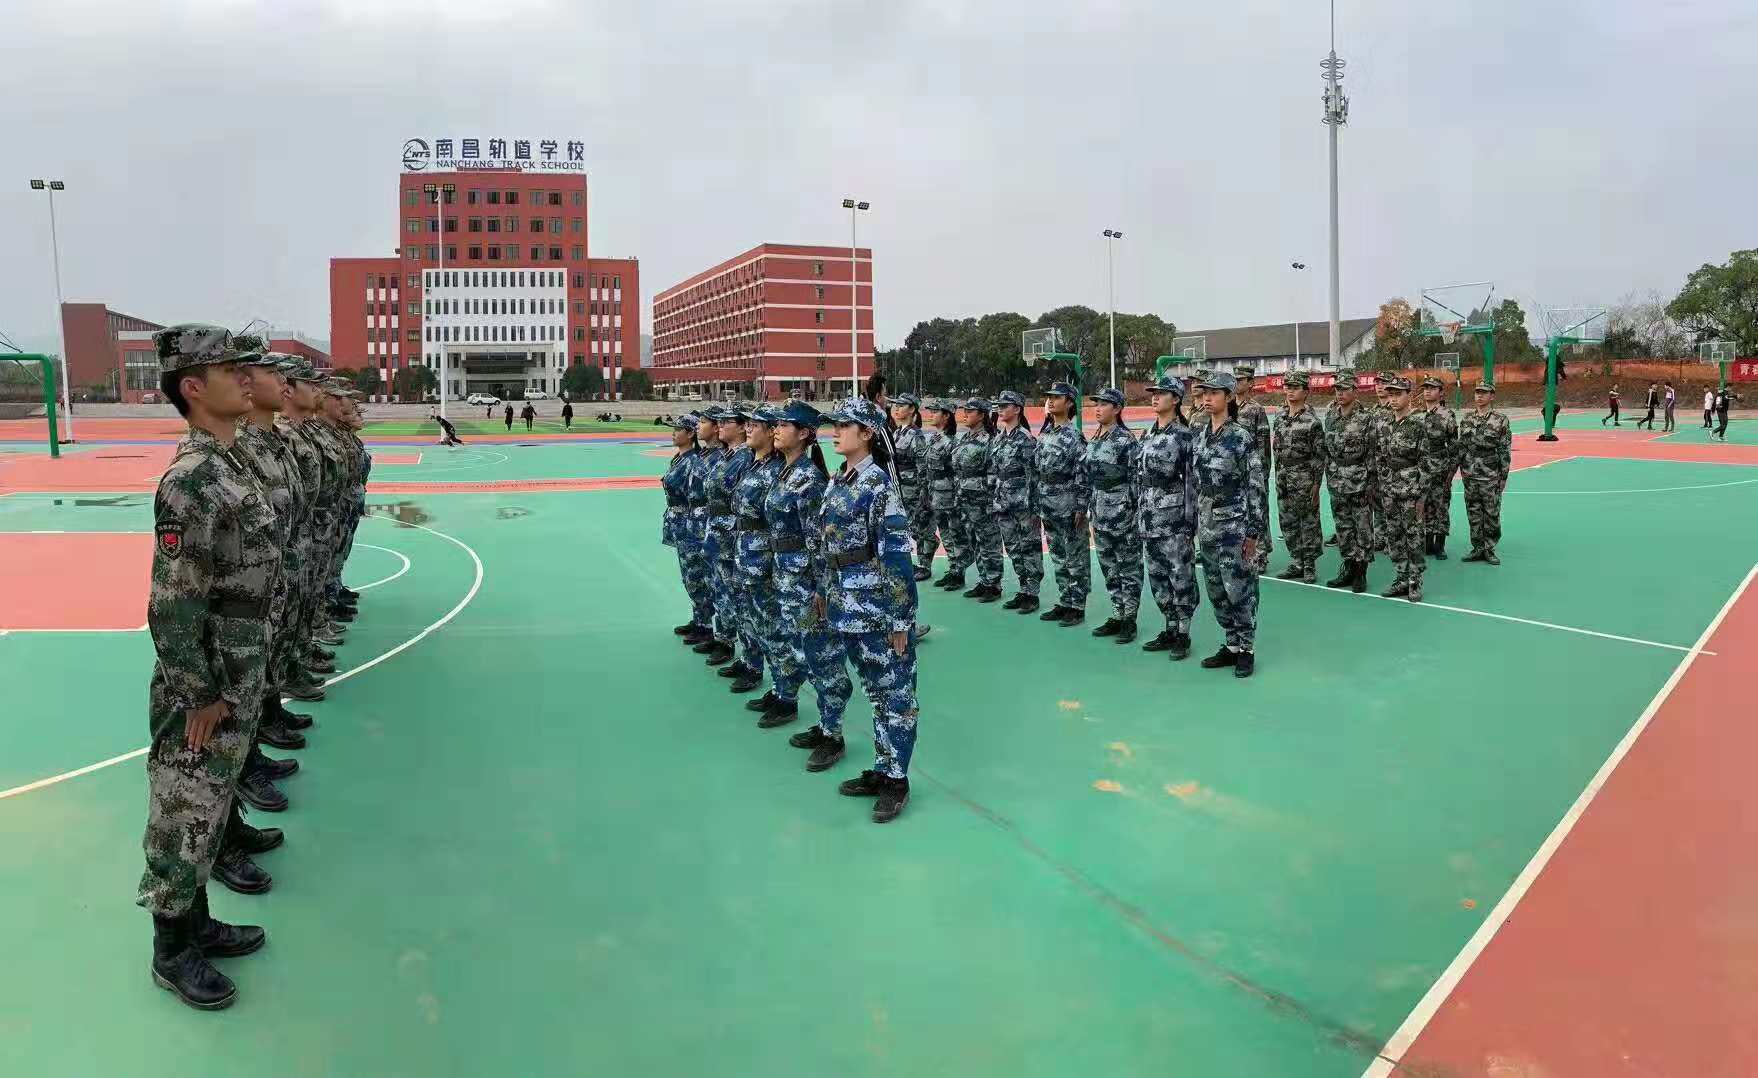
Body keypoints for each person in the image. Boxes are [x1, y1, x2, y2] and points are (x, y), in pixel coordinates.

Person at [139, 324, 278, 1011]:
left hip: (237, 673)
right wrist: (197, 695)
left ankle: (196, 924)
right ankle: (171, 949)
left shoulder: (231, 461)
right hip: (208, 686)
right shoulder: (192, 479)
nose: (246, 378)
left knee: (213, 801)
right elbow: (172, 605)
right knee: (183, 806)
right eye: (231, 370)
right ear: (193, 387)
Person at [814, 396, 920, 823]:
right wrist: (824, 590)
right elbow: (829, 544)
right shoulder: (841, 479)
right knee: (876, 691)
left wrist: (900, 619)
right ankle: (883, 768)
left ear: (868, 434)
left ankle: (898, 779)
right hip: (846, 603)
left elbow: (895, 556)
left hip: (877, 609)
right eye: (835, 425)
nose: (836, 432)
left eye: (845, 425)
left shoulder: (879, 485)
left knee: (896, 694)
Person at [755, 401, 846, 732]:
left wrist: (821, 589)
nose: (776, 429)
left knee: (820, 655)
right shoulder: (786, 471)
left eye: (785, 424)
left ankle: (832, 732)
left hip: (805, 584)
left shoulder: (808, 480)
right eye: (775, 424)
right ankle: (820, 721)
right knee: (799, 648)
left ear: (805, 433)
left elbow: (818, 542)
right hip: (786, 576)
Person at [1191, 371, 1266, 677]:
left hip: (1234, 524)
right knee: (1216, 588)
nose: (1207, 398)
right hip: (1207, 523)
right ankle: (1231, 644)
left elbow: (1256, 485)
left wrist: (1253, 531)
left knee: (1240, 588)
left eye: (1214, 392)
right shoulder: (1201, 436)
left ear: (1229, 397)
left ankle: (1246, 649)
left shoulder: (1241, 437)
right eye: (1204, 392)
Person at [1136, 375, 1201, 660]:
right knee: (1158, 577)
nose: (1154, 397)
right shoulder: (1148, 434)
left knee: (1181, 577)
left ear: (1175, 399)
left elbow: (1191, 483)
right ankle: (1169, 627)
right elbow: (1140, 479)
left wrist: (1189, 522)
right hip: (1150, 520)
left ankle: (1183, 633)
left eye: (1161, 393)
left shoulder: (1185, 436)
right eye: (1153, 393)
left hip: (1174, 521)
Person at [729, 406, 786, 697]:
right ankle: (756, 668)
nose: (748, 429)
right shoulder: (753, 464)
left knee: (771, 625)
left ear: (771, 431)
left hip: (763, 559)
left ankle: (783, 691)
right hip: (745, 553)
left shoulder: (777, 470)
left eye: (755, 425)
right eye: (748, 424)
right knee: (751, 619)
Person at [1085, 387, 1142, 643]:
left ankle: (1129, 618)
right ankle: (1117, 613)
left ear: (1117, 409)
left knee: (1128, 567)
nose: (1098, 408)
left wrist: (1133, 513)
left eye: (1104, 404)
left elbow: (1136, 481)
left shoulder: (1126, 441)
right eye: (1096, 403)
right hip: (1100, 511)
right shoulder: (1096, 438)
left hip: (1122, 513)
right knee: (1108, 566)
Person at [705, 407, 758, 675]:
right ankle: (734, 647)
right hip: (721, 533)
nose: (720, 425)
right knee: (724, 592)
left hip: (734, 535)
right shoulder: (728, 456)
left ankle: (749, 658)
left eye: (727, 422)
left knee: (740, 600)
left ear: (740, 427)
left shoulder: (745, 458)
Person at [1375, 377, 1437, 602]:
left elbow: (1426, 462)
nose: (1393, 399)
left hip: (1411, 490)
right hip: (1390, 489)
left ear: (1408, 395)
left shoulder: (1419, 423)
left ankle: (1414, 580)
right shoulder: (1384, 424)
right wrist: (1384, 482)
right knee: (1395, 535)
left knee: (1414, 536)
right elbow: (1380, 457)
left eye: (1397, 394)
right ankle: (1400, 577)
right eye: (1390, 394)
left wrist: (1421, 495)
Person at [1035, 382, 1090, 626]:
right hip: (1048, 502)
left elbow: (1082, 473)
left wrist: (1080, 506)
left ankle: (1077, 605)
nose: (1051, 401)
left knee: (1075, 556)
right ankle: (1065, 600)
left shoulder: (1073, 436)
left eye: (1057, 397)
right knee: (1057, 554)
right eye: (1049, 397)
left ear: (1069, 402)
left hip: (1068, 503)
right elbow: (1038, 470)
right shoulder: (1045, 434)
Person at [989, 390, 1043, 613]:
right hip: (1003, 502)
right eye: (999, 406)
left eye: (1005, 405)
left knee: (1029, 547)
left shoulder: (1026, 439)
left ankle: (1032, 593)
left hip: (1023, 503)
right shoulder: (999, 438)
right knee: (1013, 547)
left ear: (1018, 409)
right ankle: (1024, 588)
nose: (1001, 409)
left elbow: (1034, 475)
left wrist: (1034, 508)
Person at [661, 415, 714, 642]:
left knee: (696, 575)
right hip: (679, 521)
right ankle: (699, 618)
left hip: (689, 522)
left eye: (678, 429)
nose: (673, 433)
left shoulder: (692, 460)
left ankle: (705, 625)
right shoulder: (680, 458)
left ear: (690, 434)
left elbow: (694, 496)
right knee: (689, 575)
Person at [1272, 371, 1327, 582]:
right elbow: (1277, 449)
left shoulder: (1312, 421)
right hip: (1283, 476)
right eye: (1288, 387)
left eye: (1295, 387)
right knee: (1287, 521)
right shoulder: (1280, 417)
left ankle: (1310, 565)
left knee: (1308, 522)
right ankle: (1296, 561)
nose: (1290, 391)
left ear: (1306, 392)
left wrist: (1315, 484)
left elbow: (1319, 455)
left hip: (1303, 477)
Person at [945, 397, 1003, 599]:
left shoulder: (989, 440)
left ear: (981, 415)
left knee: (989, 541)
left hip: (981, 499)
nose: (965, 414)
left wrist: (989, 500)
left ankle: (994, 584)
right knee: (975, 540)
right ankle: (984, 579)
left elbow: (993, 472)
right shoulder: (963, 439)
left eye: (971, 411)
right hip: (964, 498)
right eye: (965, 410)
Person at [1323, 372, 1375, 593]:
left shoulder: (1366, 418)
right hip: (1336, 479)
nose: (1340, 393)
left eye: (1345, 389)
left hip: (1359, 480)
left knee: (1362, 527)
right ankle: (1349, 567)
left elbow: (1373, 451)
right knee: (1343, 527)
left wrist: (1371, 481)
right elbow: (1327, 449)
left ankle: (1361, 572)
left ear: (1355, 390)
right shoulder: (1331, 416)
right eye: (1337, 389)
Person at [686, 411, 729, 658]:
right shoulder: (705, 455)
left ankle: (722, 637)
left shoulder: (724, 457)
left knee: (720, 586)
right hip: (702, 524)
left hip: (716, 528)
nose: (698, 426)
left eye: (703, 422)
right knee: (705, 580)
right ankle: (709, 628)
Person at [1458, 382, 1513, 565]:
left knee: (1491, 512)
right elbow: (1462, 447)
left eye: (1484, 393)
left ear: (1492, 396)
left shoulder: (1500, 419)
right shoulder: (1466, 419)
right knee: (1473, 511)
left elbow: (1504, 450)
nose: (1479, 396)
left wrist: (1503, 476)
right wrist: (1462, 471)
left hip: (1490, 474)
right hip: (1470, 473)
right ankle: (1477, 547)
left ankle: (1489, 548)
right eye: (1477, 392)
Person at [1232, 366, 1274, 573]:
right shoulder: (1229, 407)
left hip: (1253, 470)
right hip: (1234, 472)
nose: (1237, 383)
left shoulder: (1256, 409)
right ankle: (1242, 552)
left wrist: (1263, 473)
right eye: (1235, 379)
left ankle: (1261, 554)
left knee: (1259, 512)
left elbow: (1263, 444)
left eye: (1241, 379)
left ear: (1250, 383)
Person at [888, 393, 934, 581]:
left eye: (902, 405)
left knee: (920, 527)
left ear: (912, 409)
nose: (897, 409)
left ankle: (925, 565)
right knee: (908, 527)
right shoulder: (897, 433)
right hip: (900, 489)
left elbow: (923, 468)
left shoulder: (916, 435)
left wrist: (923, 495)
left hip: (914, 489)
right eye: (895, 405)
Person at [1420, 376, 1459, 559]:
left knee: (1441, 506)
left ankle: (1440, 544)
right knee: (1425, 505)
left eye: (1432, 388)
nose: (1427, 391)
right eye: (1425, 388)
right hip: (1421, 469)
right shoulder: (1417, 415)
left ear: (1440, 392)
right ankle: (1427, 542)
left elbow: (1453, 447)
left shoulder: (1447, 415)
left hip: (1440, 468)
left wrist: (1450, 474)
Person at [918, 399, 958, 580]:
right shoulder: (934, 438)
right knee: (942, 530)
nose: (931, 414)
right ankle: (953, 570)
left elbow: (955, 471)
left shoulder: (950, 442)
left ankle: (956, 571)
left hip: (946, 493)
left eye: (935, 411)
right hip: (933, 491)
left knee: (950, 531)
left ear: (946, 416)